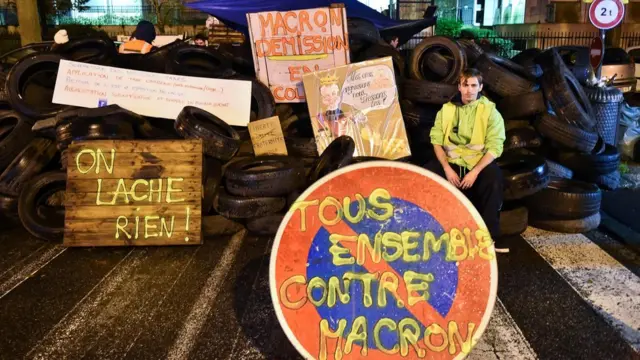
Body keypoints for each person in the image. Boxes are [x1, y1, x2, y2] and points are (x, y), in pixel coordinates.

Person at [426, 68, 506, 240]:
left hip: (477, 163)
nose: (469, 90)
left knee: (494, 179)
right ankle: (431, 232)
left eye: (473, 85)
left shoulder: (491, 112)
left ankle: (489, 237)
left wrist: (475, 172)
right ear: (459, 87)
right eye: (465, 85)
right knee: (428, 175)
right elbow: (436, 140)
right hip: (451, 161)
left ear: (480, 87)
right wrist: (446, 168)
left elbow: (495, 146)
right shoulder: (446, 110)